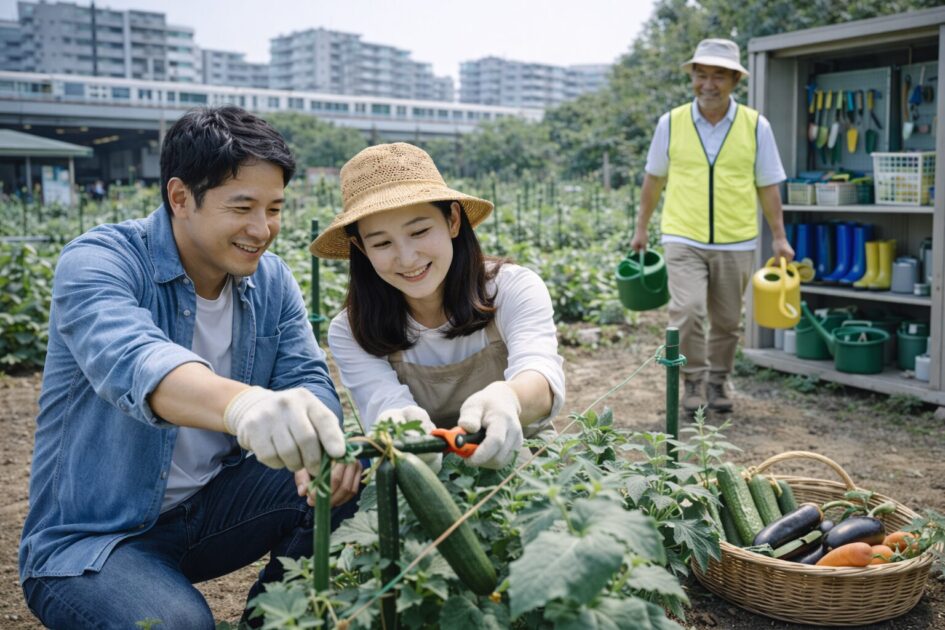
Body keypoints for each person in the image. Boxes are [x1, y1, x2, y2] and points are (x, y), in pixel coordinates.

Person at [19, 105, 359, 630]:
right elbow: (136, 360)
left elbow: (307, 378)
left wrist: (321, 438)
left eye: (274, 208)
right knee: (177, 625)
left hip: (210, 513)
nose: (262, 228)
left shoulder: (271, 282)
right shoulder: (99, 261)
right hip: (97, 540)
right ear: (180, 197)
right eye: (242, 206)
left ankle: (272, 620)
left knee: (352, 479)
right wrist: (242, 404)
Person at [310, 143, 565, 470]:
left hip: (525, 464)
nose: (407, 257)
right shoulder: (351, 329)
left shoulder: (513, 289)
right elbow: (384, 404)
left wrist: (510, 399)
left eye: (419, 231)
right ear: (360, 247)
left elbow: (540, 373)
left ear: (453, 220)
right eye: (382, 243)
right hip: (420, 473)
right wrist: (401, 426)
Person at [630, 38, 794, 415]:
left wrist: (780, 237)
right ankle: (693, 382)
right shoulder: (670, 123)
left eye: (717, 76)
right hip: (682, 235)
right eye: (700, 75)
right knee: (687, 311)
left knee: (726, 321)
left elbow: (767, 185)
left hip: (737, 240)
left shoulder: (756, 126)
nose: (707, 84)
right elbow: (653, 181)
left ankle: (719, 380)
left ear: (734, 80)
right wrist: (642, 229)